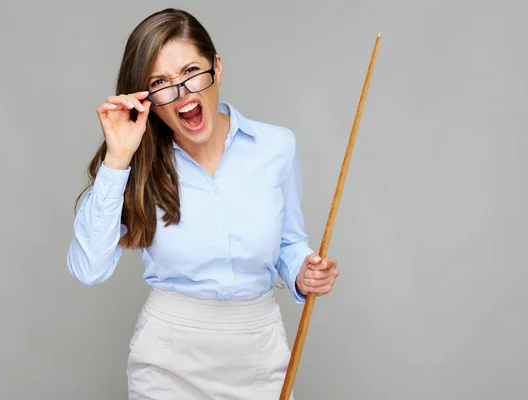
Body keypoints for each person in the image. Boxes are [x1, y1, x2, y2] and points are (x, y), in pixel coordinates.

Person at [67, 7, 339, 400]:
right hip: (167, 362)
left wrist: (303, 271)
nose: (182, 93)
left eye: (192, 71)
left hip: (260, 355)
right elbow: (87, 269)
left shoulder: (277, 147)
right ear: (147, 99)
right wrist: (117, 158)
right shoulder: (138, 162)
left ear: (217, 67)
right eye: (160, 82)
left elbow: (289, 243)